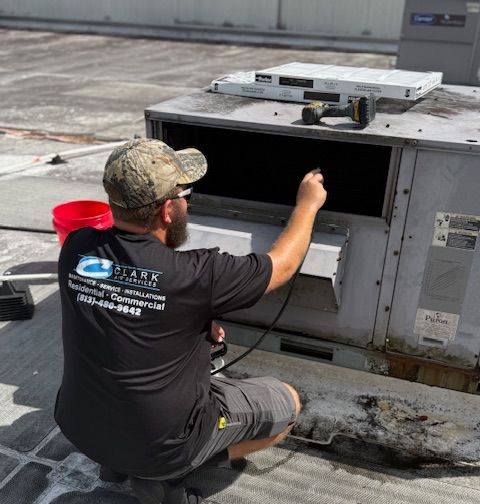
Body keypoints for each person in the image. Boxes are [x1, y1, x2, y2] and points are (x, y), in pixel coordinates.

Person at [55, 138, 327, 504]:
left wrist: (196, 322)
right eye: (186, 194)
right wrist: (308, 205)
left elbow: (126, 306)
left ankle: (118, 463)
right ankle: (173, 470)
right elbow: (283, 265)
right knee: (288, 404)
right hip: (162, 444)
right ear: (168, 210)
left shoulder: (77, 247)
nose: (188, 202)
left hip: (79, 425)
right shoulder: (196, 275)